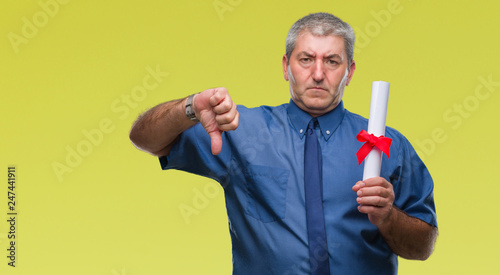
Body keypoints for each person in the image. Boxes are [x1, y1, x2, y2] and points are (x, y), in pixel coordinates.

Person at [129, 12, 438, 275]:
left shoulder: (389, 145)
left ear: (349, 71)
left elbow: (423, 246)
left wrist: (388, 216)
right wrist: (190, 107)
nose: (318, 74)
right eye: (306, 59)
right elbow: (144, 139)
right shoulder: (239, 131)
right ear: (285, 66)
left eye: (332, 61)